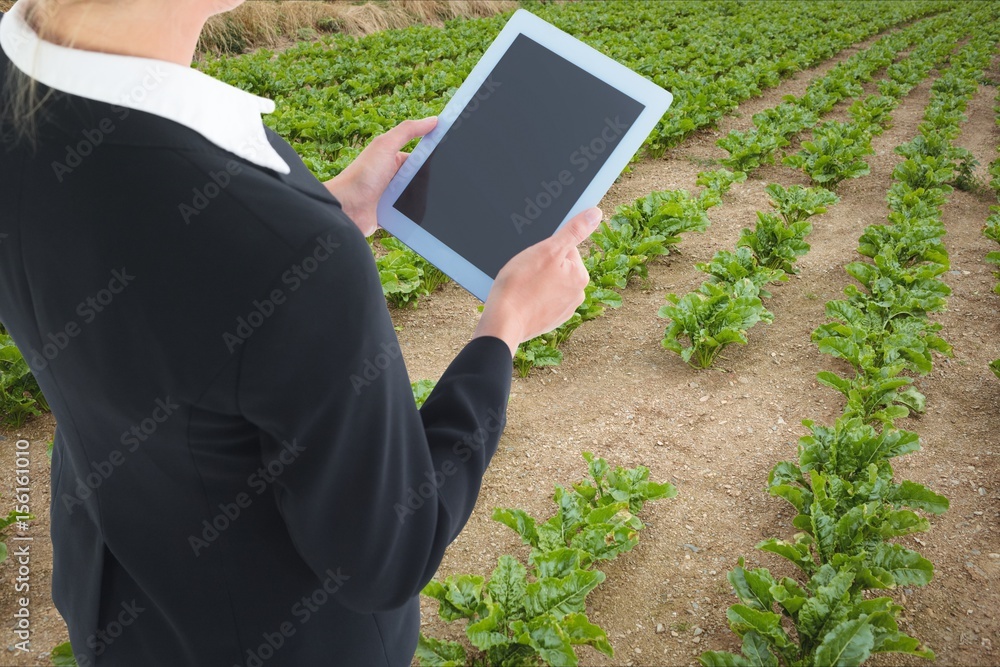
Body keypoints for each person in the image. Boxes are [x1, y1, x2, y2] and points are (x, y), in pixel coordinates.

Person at [0, 0, 601, 664]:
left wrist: (328, 206)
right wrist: (503, 328)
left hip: (117, 600)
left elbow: (152, 285)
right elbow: (388, 554)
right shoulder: (288, 256)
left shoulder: (21, 91)